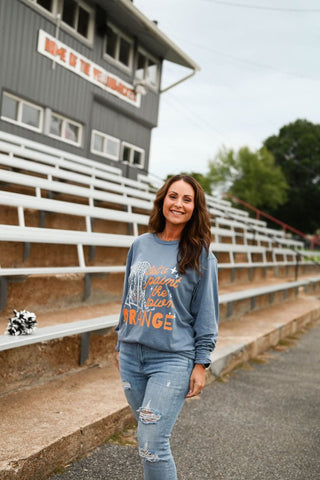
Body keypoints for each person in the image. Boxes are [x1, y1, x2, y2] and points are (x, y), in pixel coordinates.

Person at [115, 174, 219, 480]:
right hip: (132, 357)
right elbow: (127, 298)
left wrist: (201, 363)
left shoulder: (201, 254)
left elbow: (206, 314)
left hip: (172, 359)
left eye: (187, 199)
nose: (178, 204)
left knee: (151, 443)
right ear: (163, 200)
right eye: (173, 196)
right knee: (150, 439)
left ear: (194, 209)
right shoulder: (140, 244)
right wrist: (120, 342)